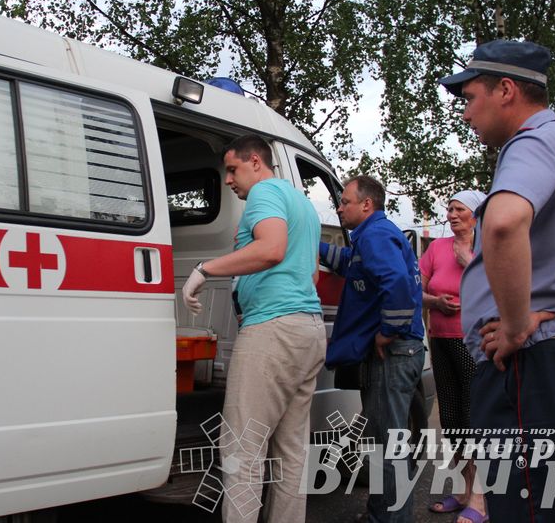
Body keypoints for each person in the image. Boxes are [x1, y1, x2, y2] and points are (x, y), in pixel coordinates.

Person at [439, 39, 555, 522]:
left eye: (469, 97)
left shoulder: (533, 143)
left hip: (536, 367)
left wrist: (518, 324)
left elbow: (501, 222)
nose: (465, 113)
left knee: (532, 509)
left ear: (505, 90)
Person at [182, 134, 325, 523]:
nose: (229, 180)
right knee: (291, 453)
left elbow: (271, 248)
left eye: (233, 169)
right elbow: (310, 274)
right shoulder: (303, 204)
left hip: (273, 332)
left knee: (242, 450)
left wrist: (203, 269)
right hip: (308, 330)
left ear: (256, 162)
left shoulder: (264, 194)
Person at [319, 175, 425, 523]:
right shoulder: (370, 237)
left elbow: (396, 282)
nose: (339, 207)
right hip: (398, 353)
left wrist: (388, 331)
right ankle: (380, 514)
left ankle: (392, 519)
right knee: (381, 442)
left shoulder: (376, 234)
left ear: (367, 204)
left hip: (394, 353)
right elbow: (348, 263)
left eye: (345, 201)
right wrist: (309, 242)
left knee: (388, 443)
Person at [419, 190, 487, 523]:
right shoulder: (436, 248)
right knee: (451, 417)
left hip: (474, 340)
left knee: (476, 417)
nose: (452, 214)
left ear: (476, 214)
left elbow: (499, 287)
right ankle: (463, 490)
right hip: (441, 338)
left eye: (460, 209)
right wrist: (435, 303)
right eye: (449, 209)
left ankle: (481, 499)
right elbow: (417, 289)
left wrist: (468, 262)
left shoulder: (488, 247)